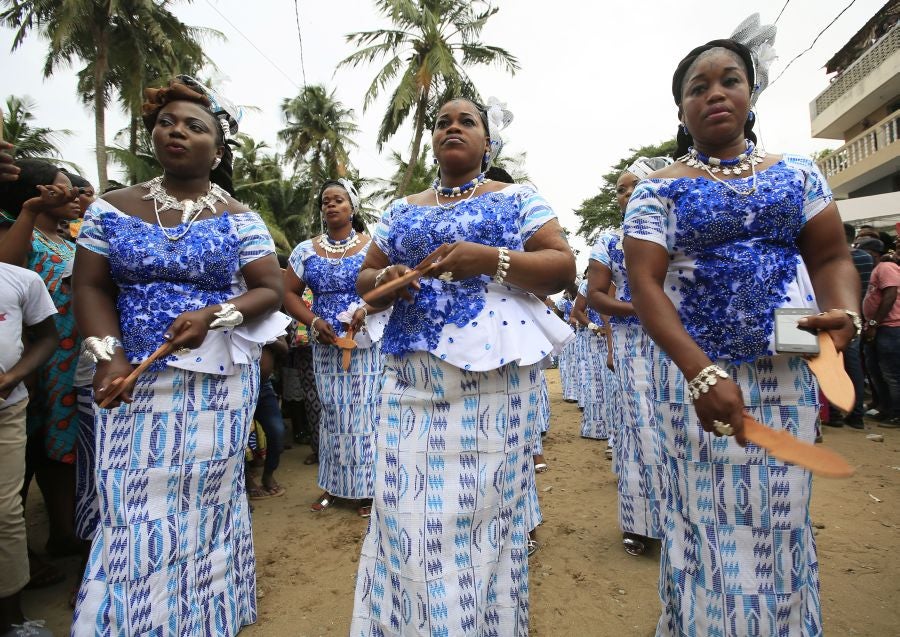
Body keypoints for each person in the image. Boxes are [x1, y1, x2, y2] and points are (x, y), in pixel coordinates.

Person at [623, 16, 859, 635]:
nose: (715, 93)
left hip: (787, 374)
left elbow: (831, 256)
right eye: (698, 88)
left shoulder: (799, 174)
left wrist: (846, 316)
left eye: (730, 80)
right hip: (696, 380)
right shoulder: (657, 191)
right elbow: (645, 284)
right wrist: (700, 375)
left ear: (751, 96)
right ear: (682, 110)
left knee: (780, 520)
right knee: (704, 522)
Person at [351, 97, 575, 635]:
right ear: (432, 139)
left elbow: (562, 267)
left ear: (487, 141)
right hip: (410, 382)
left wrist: (490, 259)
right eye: (442, 121)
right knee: (402, 516)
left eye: (466, 121)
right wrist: (386, 281)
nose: (452, 127)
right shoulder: (402, 209)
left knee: (484, 523)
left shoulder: (518, 198)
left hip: (494, 389)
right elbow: (366, 277)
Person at [71, 76, 285, 635]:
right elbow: (90, 287)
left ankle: (207, 613)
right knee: (128, 505)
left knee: (207, 502)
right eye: (168, 123)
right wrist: (108, 358)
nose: (178, 132)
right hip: (132, 380)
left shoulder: (241, 217)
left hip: (215, 382)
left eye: (196, 126)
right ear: (152, 134)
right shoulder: (109, 209)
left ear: (218, 148)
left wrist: (215, 314)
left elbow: (270, 290)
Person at [0, 159, 86, 560]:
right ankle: (21, 553)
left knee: (63, 451)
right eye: (60, 188)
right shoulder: (26, 234)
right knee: (28, 453)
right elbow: (8, 271)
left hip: (74, 358)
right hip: (42, 361)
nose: (71, 195)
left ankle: (63, 531)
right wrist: (30, 211)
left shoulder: (67, 239)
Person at [284, 178, 385, 517]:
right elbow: (288, 294)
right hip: (326, 343)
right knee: (331, 412)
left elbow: (387, 289)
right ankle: (333, 486)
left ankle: (370, 489)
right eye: (326, 201)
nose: (331, 205)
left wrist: (365, 310)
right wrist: (313, 322)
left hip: (365, 341)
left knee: (365, 413)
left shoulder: (373, 246)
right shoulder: (305, 250)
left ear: (352, 207)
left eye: (338, 199)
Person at [588, 156, 672, 557]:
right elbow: (596, 296)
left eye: (632, 186)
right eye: (620, 189)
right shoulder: (608, 242)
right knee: (639, 431)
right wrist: (644, 309)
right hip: (633, 346)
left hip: (678, 342)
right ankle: (639, 525)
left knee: (676, 430)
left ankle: (680, 520)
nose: (624, 194)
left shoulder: (680, 231)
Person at [0, 262, 58, 637]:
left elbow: (46, 337)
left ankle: (11, 618)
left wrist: (14, 377)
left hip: (6, 408)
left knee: (5, 513)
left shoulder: (20, 279)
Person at [824, 224, 873, 429]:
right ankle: (856, 415)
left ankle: (835, 414)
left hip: (832, 318)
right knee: (854, 369)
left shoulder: (832, 259)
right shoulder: (865, 258)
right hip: (854, 317)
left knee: (832, 368)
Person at [862, 248, 900, 427]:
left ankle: (897, 414)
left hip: (890, 327)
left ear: (873, 253)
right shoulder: (878, 269)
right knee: (876, 372)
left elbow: (890, 294)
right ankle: (885, 409)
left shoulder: (886, 267)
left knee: (892, 374)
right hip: (878, 327)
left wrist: (874, 323)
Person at [555, 286, 579, 403]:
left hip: (581, 336)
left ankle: (580, 394)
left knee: (579, 364)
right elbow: (557, 318)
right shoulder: (562, 302)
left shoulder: (584, 299)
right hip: (568, 337)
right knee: (569, 364)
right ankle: (570, 394)